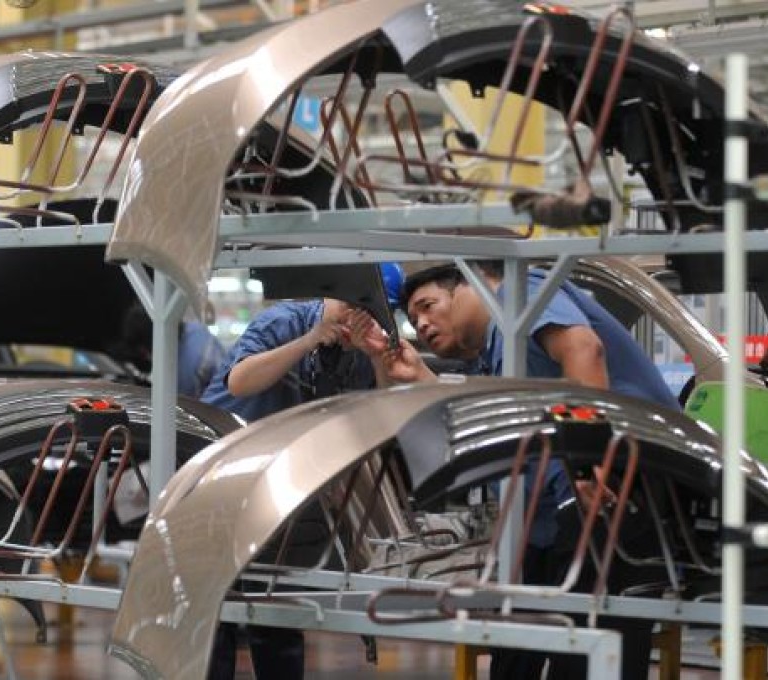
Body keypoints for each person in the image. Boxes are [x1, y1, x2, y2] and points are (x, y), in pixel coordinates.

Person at [349, 260, 678, 680]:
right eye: (414, 319)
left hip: (618, 484)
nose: (423, 324)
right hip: (554, 515)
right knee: (516, 653)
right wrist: (419, 376)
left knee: (587, 656)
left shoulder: (521, 292)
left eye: (428, 306)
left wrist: (591, 464)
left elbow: (583, 350)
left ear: (471, 285)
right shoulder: (497, 352)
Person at [200, 261, 406, 678]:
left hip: (279, 486)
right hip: (219, 470)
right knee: (214, 605)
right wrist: (309, 341)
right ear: (330, 295)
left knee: (277, 602)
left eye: (371, 312)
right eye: (349, 306)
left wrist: (379, 356)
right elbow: (240, 381)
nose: (355, 318)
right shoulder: (285, 321)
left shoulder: (361, 356)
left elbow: (383, 418)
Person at [115, 301, 226, 398]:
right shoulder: (195, 330)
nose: (148, 357)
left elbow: (182, 406)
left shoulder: (186, 366)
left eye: (145, 352)